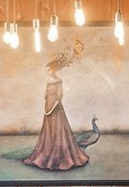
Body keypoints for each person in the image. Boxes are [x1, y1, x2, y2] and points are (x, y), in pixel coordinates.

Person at [23, 41, 89, 171]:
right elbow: (46, 97)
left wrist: (50, 111)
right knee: (48, 133)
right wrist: (45, 110)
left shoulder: (59, 81)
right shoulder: (48, 81)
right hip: (47, 109)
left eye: (49, 69)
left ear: (53, 69)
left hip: (56, 110)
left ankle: (59, 157)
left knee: (59, 133)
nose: (47, 72)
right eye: (46, 70)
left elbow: (59, 99)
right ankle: (46, 154)